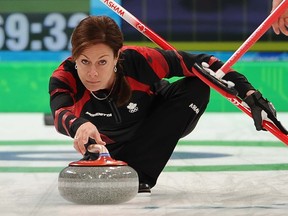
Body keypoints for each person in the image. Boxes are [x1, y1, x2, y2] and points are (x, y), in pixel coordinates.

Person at [49, 16, 286, 193]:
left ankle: (138, 174)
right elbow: (60, 114)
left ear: (117, 57)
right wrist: (80, 126)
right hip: (115, 144)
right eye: (84, 61)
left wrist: (250, 92)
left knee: (198, 83)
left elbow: (202, 63)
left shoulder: (139, 60)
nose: (92, 72)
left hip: (162, 121)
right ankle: (131, 164)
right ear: (74, 57)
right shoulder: (64, 76)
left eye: (102, 61)